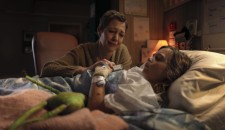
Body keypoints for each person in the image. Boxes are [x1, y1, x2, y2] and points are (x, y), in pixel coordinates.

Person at [88, 45, 192, 113]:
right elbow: (124, 70)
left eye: (158, 59)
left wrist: (99, 74)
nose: (150, 58)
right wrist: (111, 67)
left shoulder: (142, 93)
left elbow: (96, 107)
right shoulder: (141, 73)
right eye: (154, 55)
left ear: (170, 73)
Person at [40, 10, 132, 78]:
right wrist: (86, 70)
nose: (116, 38)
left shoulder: (122, 51)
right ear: (100, 31)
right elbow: (47, 69)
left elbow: (122, 78)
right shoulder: (82, 51)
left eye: (121, 35)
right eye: (112, 31)